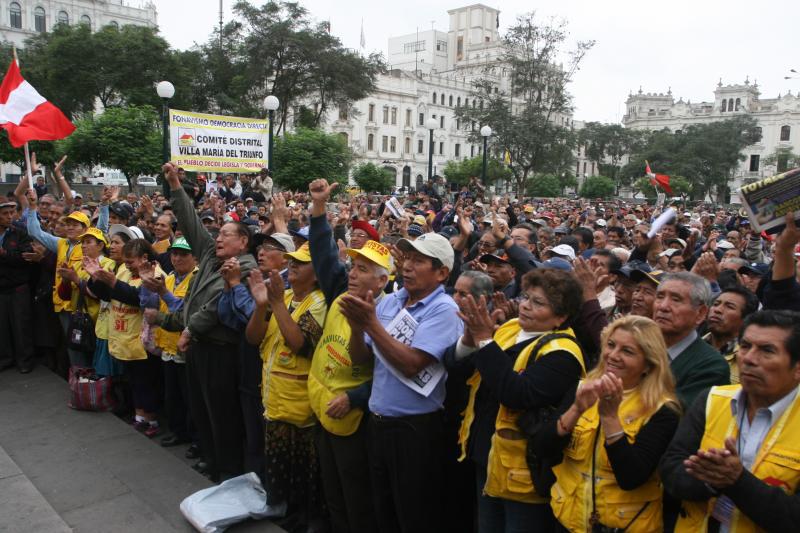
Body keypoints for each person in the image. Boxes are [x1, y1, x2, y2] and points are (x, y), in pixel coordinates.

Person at [340, 232, 463, 533]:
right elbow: (361, 360)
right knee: (384, 511)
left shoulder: (444, 310)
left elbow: (411, 365)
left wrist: (370, 324)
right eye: (407, 258)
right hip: (378, 423)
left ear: (442, 273)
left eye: (418, 261)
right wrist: (357, 330)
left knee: (414, 515)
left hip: (415, 431)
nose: (407, 266)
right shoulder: (391, 301)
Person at [455, 269, 586, 533]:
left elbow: (516, 394)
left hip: (524, 475)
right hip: (487, 457)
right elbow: (468, 370)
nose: (525, 305)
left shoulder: (563, 354)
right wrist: (472, 338)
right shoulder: (511, 328)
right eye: (526, 297)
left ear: (561, 317)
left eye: (538, 303)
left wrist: (483, 337)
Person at [535, 315, 681, 532]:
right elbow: (541, 448)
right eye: (611, 345)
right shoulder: (584, 387)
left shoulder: (662, 410)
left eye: (627, 351)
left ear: (649, 364)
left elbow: (631, 477)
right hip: (568, 520)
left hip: (623, 526)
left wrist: (611, 418)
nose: (613, 355)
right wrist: (575, 410)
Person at [660, 310, 800, 532]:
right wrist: (709, 481)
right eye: (745, 346)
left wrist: (737, 481)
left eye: (767, 350)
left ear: (797, 368)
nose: (749, 359)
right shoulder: (711, 399)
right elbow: (670, 470)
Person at [159, 162, 255, 482]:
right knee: (202, 409)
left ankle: (227, 471)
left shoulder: (243, 266)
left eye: (226, 235)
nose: (218, 238)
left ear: (243, 242)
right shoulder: (212, 257)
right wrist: (175, 185)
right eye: (219, 234)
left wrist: (190, 328)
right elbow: (190, 222)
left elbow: (215, 306)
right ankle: (212, 460)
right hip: (199, 347)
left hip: (221, 351)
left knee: (222, 413)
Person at [307, 178, 385, 533]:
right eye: (352, 267)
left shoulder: (390, 314)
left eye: (363, 269)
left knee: (357, 494)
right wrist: (319, 210)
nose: (351, 275)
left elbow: (390, 374)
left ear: (383, 281)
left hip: (355, 417)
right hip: (323, 406)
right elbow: (324, 257)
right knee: (333, 489)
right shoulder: (341, 290)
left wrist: (355, 397)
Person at [245, 242, 327, 529]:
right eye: (291, 261)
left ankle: (306, 518)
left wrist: (276, 303)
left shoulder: (319, 303)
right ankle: (281, 508)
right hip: (275, 398)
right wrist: (260, 305)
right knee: (278, 464)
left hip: (301, 407)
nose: (292, 266)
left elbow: (300, 344)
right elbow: (253, 337)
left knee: (305, 471)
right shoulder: (284, 295)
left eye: (301, 263)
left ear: (317, 274)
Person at [142, 237, 197, 447]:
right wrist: (148, 285)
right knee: (173, 395)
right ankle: (178, 431)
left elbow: (184, 313)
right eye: (174, 253)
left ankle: (195, 438)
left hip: (185, 347)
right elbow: (148, 305)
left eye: (183, 254)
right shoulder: (171, 277)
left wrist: (163, 292)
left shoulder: (196, 278)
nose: (177, 258)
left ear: (195, 257)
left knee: (189, 397)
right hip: (167, 345)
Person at [653, 272, 730, 407]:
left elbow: (673, 418)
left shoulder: (711, 366)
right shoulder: (638, 347)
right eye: (660, 297)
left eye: (676, 299)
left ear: (700, 313)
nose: (663, 306)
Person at [0, 200, 34, 373]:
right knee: (3, 327)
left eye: (11, 213)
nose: (9, 217)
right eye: (4, 214)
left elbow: (25, 257)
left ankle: (25, 360)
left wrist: (5, 254)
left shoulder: (19, 233)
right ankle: (5, 358)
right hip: (1, 288)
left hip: (18, 287)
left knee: (21, 326)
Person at [703, 287, 759, 384]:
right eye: (716, 304)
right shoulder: (690, 347)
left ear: (745, 318)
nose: (717, 310)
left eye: (730, 307)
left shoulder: (750, 359)